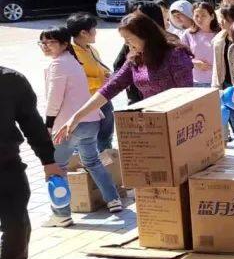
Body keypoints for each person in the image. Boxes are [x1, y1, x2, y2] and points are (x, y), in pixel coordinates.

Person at [54, 13, 195, 144]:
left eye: (129, 39)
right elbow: (110, 88)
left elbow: (186, 95)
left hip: (180, 124)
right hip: (154, 123)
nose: (127, 44)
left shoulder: (175, 55)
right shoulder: (135, 59)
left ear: (145, 35)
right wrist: (76, 117)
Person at [39, 26, 123, 222]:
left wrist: (48, 125)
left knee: (57, 167)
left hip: (68, 125)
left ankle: (61, 215)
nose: (45, 46)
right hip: (90, 121)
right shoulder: (73, 61)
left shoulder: (58, 64)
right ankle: (113, 200)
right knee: (92, 161)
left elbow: (54, 99)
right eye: (42, 42)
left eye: (50, 42)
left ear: (64, 43)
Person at [0, 66, 64, 259]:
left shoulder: (10, 81)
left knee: (17, 225)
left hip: (6, 168)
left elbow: (32, 123)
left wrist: (48, 161)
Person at [66, 13, 114, 152]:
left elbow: (98, 68)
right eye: (94, 29)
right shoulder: (70, 54)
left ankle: (108, 162)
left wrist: (106, 74)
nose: (96, 32)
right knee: (85, 140)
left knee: (106, 136)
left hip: (102, 97)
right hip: (85, 102)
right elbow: (74, 81)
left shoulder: (90, 48)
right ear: (83, 33)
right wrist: (100, 81)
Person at [213, 4, 234, 148]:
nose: (220, 21)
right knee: (231, 121)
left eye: (223, 18)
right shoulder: (220, 38)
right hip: (225, 84)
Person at [182, 1, 219, 88]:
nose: (199, 19)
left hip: (217, 80)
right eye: (196, 16)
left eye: (203, 15)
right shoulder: (188, 34)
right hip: (196, 80)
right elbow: (181, 56)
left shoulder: (220, 33)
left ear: (212, 16)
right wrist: (193, 62)